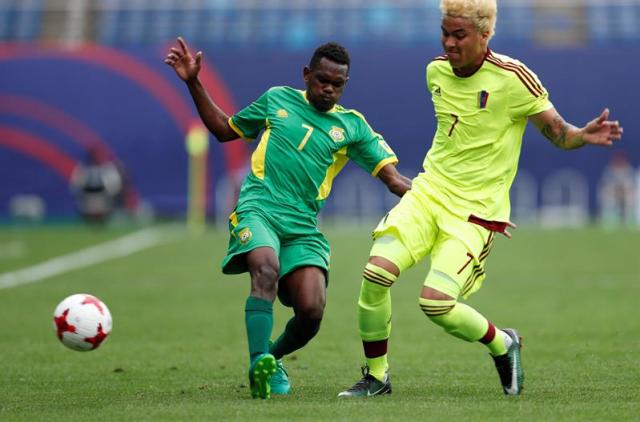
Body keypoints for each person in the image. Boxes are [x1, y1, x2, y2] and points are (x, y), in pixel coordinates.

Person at [338, 0, 623, 397]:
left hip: (475, 214)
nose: (449, 44)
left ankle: (503, 343)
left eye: (460, 35)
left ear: (485, 35)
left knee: (435, 304)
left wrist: (580, 136)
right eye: (445, 33)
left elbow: (557, 131)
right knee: (375, 275)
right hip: (428, 195)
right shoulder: (434, 71)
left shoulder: (514, 79)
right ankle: (376, 377)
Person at [164, 38, 411, 399]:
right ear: (307, 74)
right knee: (265, 267)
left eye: (337, 84)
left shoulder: (353, 127)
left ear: (345, 85)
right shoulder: (277, 99)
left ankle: (271, 358)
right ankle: (256, 369)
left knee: (311, 312)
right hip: (258, 207)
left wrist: (444, 201)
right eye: (321, 80)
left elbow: (394, 180)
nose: (328, 89)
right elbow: (223, 130)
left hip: (302, 227)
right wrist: (192, 81)